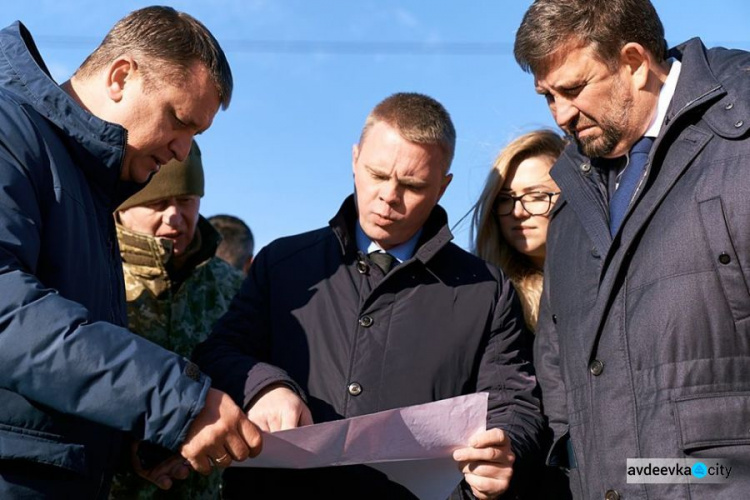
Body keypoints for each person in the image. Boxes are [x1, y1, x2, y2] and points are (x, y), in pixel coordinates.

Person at [193, 92, 543, 500]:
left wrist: (505, 447)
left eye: (412, 185)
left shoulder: (485, 289)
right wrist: (265, 387)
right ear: (355, 159)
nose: (389, 197)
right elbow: (217, 354)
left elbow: (513, 401)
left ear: (443, 187)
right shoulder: (283, 264)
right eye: (377, 174)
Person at [0, 7, 261, 498]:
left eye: (195, 138)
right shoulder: (10, 131)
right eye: (178, 122)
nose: (183, 153)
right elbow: (7, 312)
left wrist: (124, 441)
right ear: (121, 76)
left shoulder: (87, 186)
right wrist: (175, 401)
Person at [514, 0, 750, 498]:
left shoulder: (741, 135)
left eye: (574, 89)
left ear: (636, 62)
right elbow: (557, 364)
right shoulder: (571, 195)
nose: (561, 116)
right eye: (547, 97)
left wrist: (716, 479)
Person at [110, 141, 244, 499]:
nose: (173, 216)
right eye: (156, 203)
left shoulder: (232, 287)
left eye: (185, 201)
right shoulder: (92, 274)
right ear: (123, 209)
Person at [472, 130, 565, 331]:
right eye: (505, 199)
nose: (518, 211)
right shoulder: (482, 295)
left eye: (537, 196)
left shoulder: (610, 281)